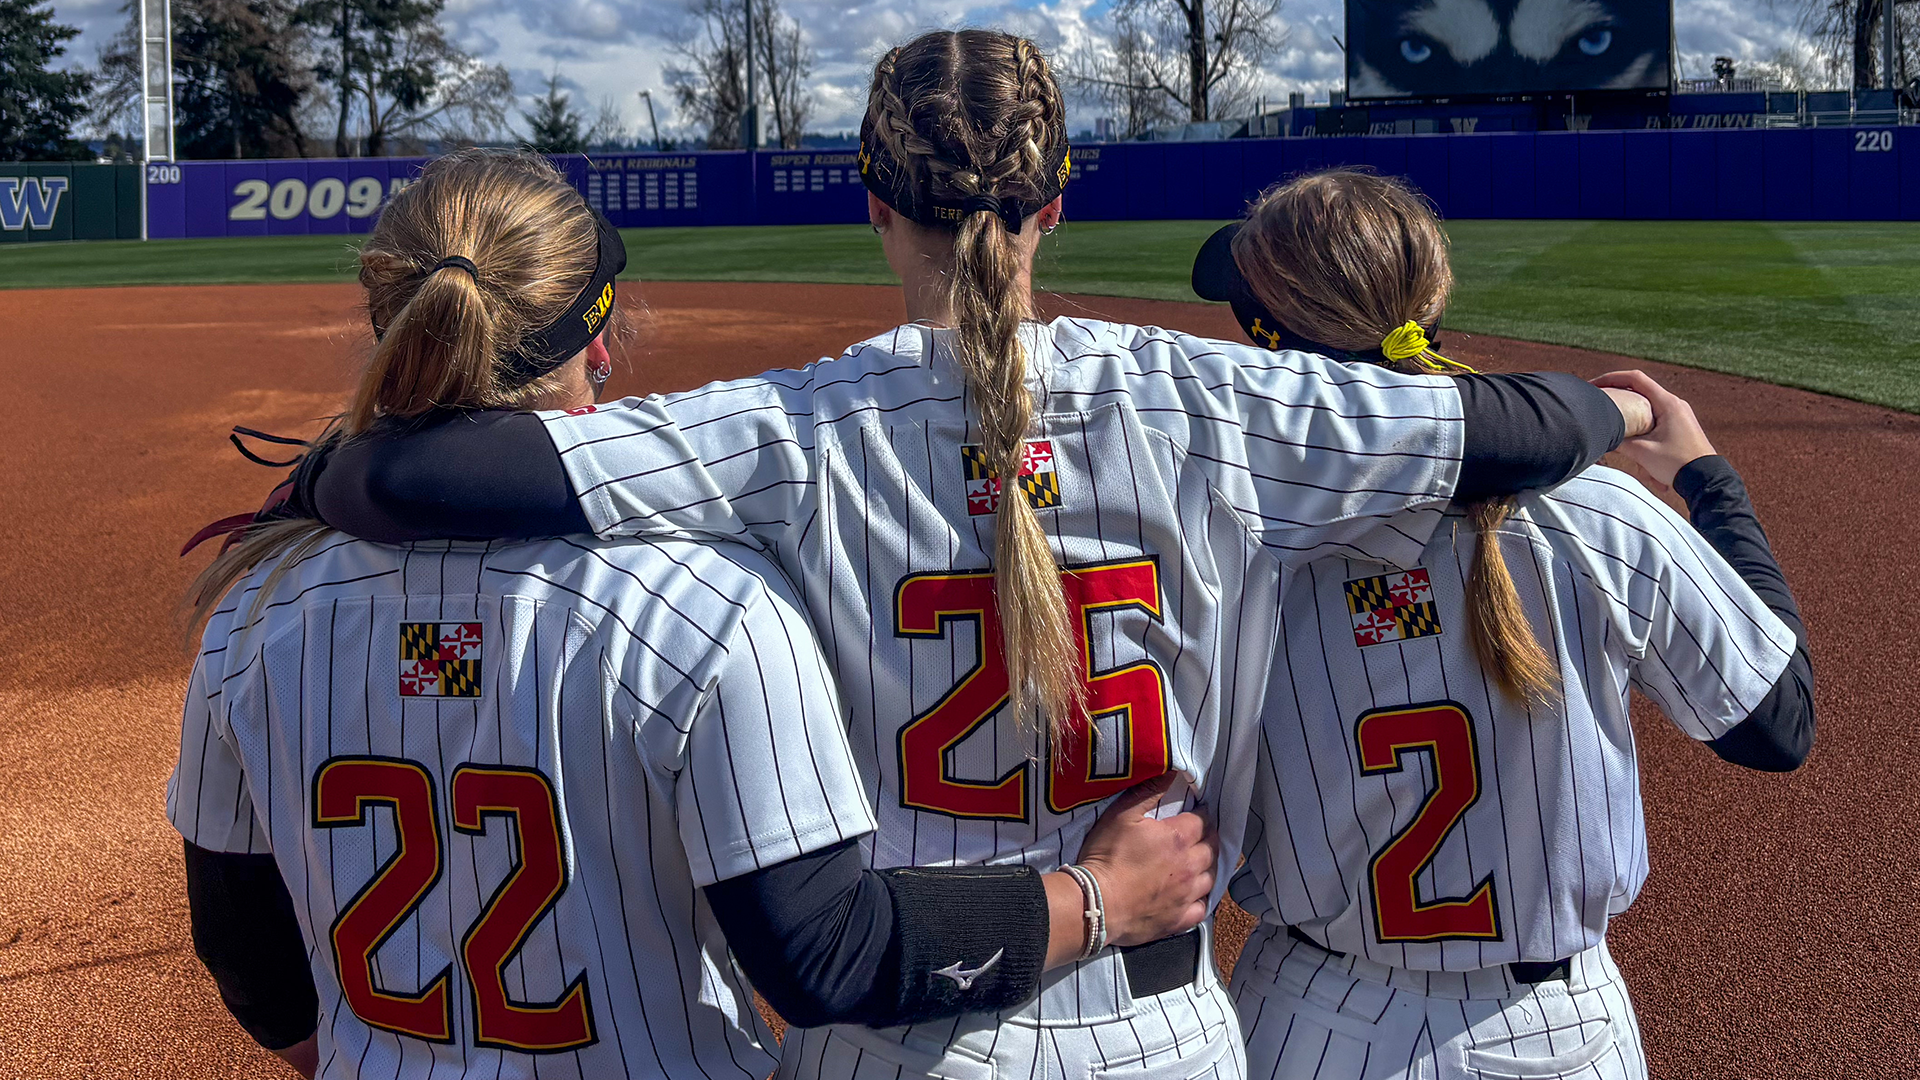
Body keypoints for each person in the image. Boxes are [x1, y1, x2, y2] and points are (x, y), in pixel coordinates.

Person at [290, 32, 1657, 1080]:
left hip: (888, 1034)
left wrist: (322, 468)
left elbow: (431, 469)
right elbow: (1522, 426)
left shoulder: (787, 428)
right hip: (1152, 1030)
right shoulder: (1221, 403)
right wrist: (1634, 412)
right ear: (1058, 203)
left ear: (871, 206)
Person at [169, 149, 1223, 1080]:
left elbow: (250, 966)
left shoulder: (253, 611)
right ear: (598, 349)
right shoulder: (703, 608)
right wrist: (1098, 897)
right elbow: (830, 955)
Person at [1191, 169, 1814, 1080]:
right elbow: (1778, 726)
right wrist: (1709, 480)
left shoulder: (1222, 523)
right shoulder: (1597, 510)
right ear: (1433, 305)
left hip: (1321, 1018)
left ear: (1264, 340)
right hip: (1563, 1028)